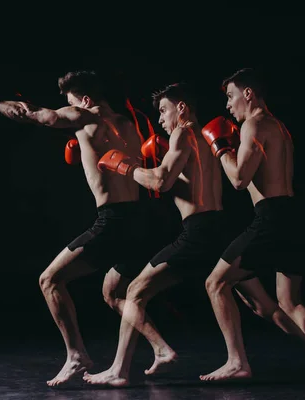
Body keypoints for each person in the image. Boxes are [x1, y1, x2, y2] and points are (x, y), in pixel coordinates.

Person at [0, 71, 171, 386]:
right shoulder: (129, 123)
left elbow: (34, 115)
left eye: (70, 103)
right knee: (114, 293)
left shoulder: (82, 117)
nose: (68, 109)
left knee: (50, 280)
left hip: (113, 220)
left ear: (83, 100)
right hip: (140, 219)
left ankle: (76, 355)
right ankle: (161, 348)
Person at [199, 68, 305, 381]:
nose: (227, 105)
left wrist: (220, 147)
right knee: (289, 302)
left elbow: (239, 179)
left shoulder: (253, 124)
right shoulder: (277, 125)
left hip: (272, 217)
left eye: (230, 96)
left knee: (215, 283)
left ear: (248, 93)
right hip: (291, 216)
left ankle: (237, 362)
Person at [83, 82, 231, 387]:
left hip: (198, 231)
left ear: (181, 107)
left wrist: (125, 167)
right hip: (215, 226)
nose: (161, 119)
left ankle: (120, 370)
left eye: (164, 110)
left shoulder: (183, 132)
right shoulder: (202, 137)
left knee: (134, 291)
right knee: (261, 301)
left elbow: (161, 182)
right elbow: (185, 187)